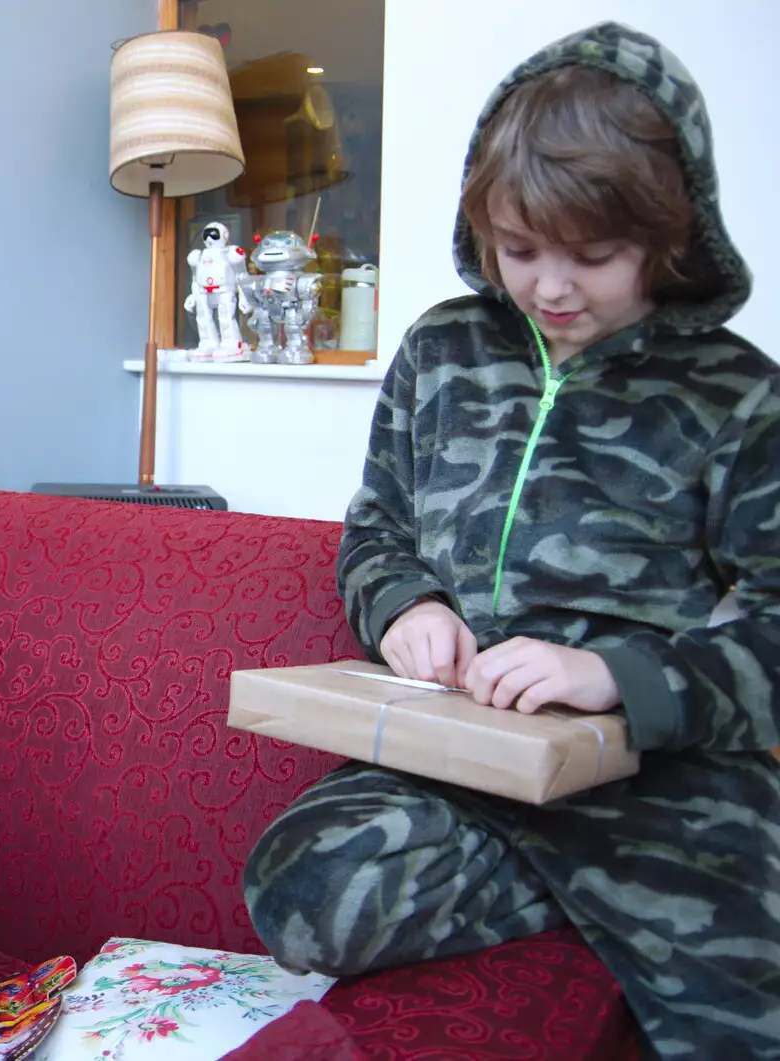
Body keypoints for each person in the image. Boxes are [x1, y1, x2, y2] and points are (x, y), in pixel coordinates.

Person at [241, 22, 780, 1059]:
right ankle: (586, 897)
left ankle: (608, 890)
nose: (550, 288)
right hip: (452, 763)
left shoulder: (738, 395)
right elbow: (376, 527)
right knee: (300, 888)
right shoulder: (442, 348)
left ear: (670, 237)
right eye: (519, 249)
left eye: (593, 256)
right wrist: (406, 606)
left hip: (653, 776)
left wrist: (612, 673)